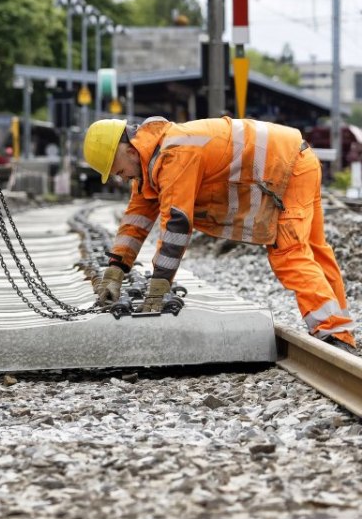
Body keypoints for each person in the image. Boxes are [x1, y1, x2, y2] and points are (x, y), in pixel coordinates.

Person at [83, 115, 357, 352]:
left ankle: (332, 333)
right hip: (294, 160)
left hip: (288, 167)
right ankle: (341, 333)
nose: (121, 178)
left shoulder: (174, 152)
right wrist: (115, 271)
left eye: (119, 170)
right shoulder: (149, 163)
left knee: (290, 252)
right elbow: (135, 221)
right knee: (314, 249)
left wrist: (160, 285)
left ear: (130, 151)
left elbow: (177, 224)